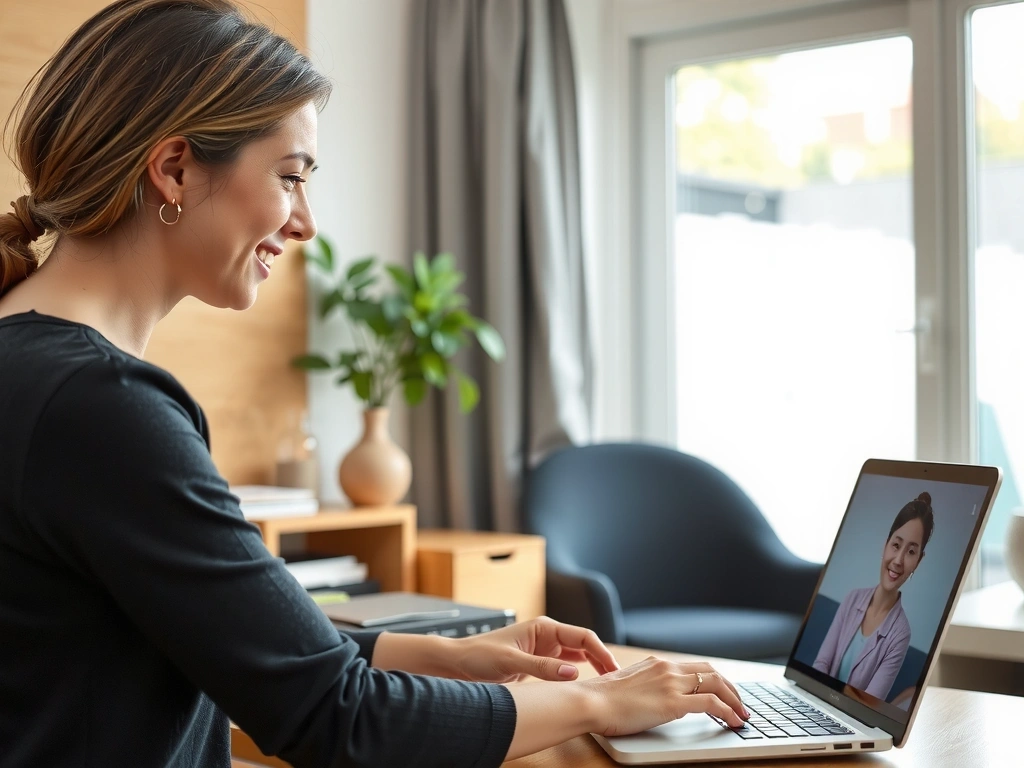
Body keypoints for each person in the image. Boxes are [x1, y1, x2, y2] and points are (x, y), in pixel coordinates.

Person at [0, 2, 750, 766]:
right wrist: (597, 699)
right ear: (175, 168)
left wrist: (447, 653)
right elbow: (339, 720)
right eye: (289, 178)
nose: (305, 224)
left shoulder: (33, 368)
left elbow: (225, 641)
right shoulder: (100, 409)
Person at [812, 492, 934, 700]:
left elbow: (869, 702)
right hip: (819, 703)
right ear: (885, 545)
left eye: (911, 552)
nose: (898, 560)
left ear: (919, 561)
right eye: (896, 545)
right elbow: (821, 664)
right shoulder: (852, 599)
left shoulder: (900, 634)